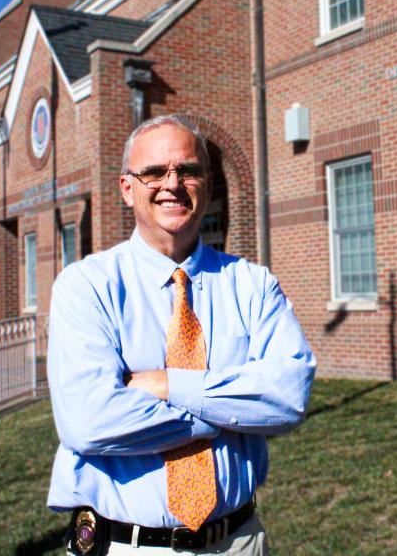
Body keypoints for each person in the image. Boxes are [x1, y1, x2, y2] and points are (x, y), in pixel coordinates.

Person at [46, 114, 316, 555]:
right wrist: (227, 414)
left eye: (188, 171)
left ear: (207, 185)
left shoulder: (252, 284)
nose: (172, 184)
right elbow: (88, 422)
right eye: (153, 172)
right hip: (126, 545)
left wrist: (169, 385)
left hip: (238, 541)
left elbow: (289, 396)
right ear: (127, 188)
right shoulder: (86, 286)